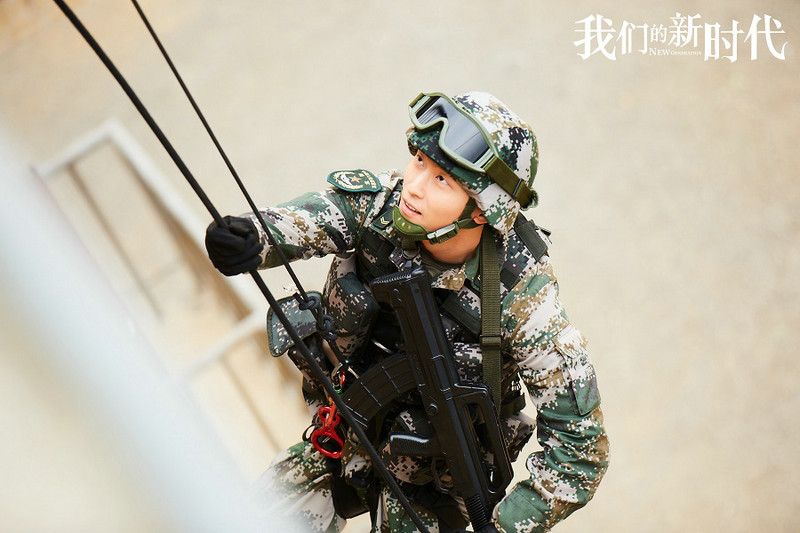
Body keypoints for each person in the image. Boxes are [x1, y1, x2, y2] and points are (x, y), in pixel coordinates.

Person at [205, 91, 609, 532]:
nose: (414, 186)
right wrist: (252, 237)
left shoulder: (524, 298)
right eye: (419, 160)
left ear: (483, 211)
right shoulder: (383, 206)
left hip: (429, 486)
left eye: (442, 181)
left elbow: (581, 448)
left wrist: (506, 526)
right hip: (344, 430)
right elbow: (314, 218)